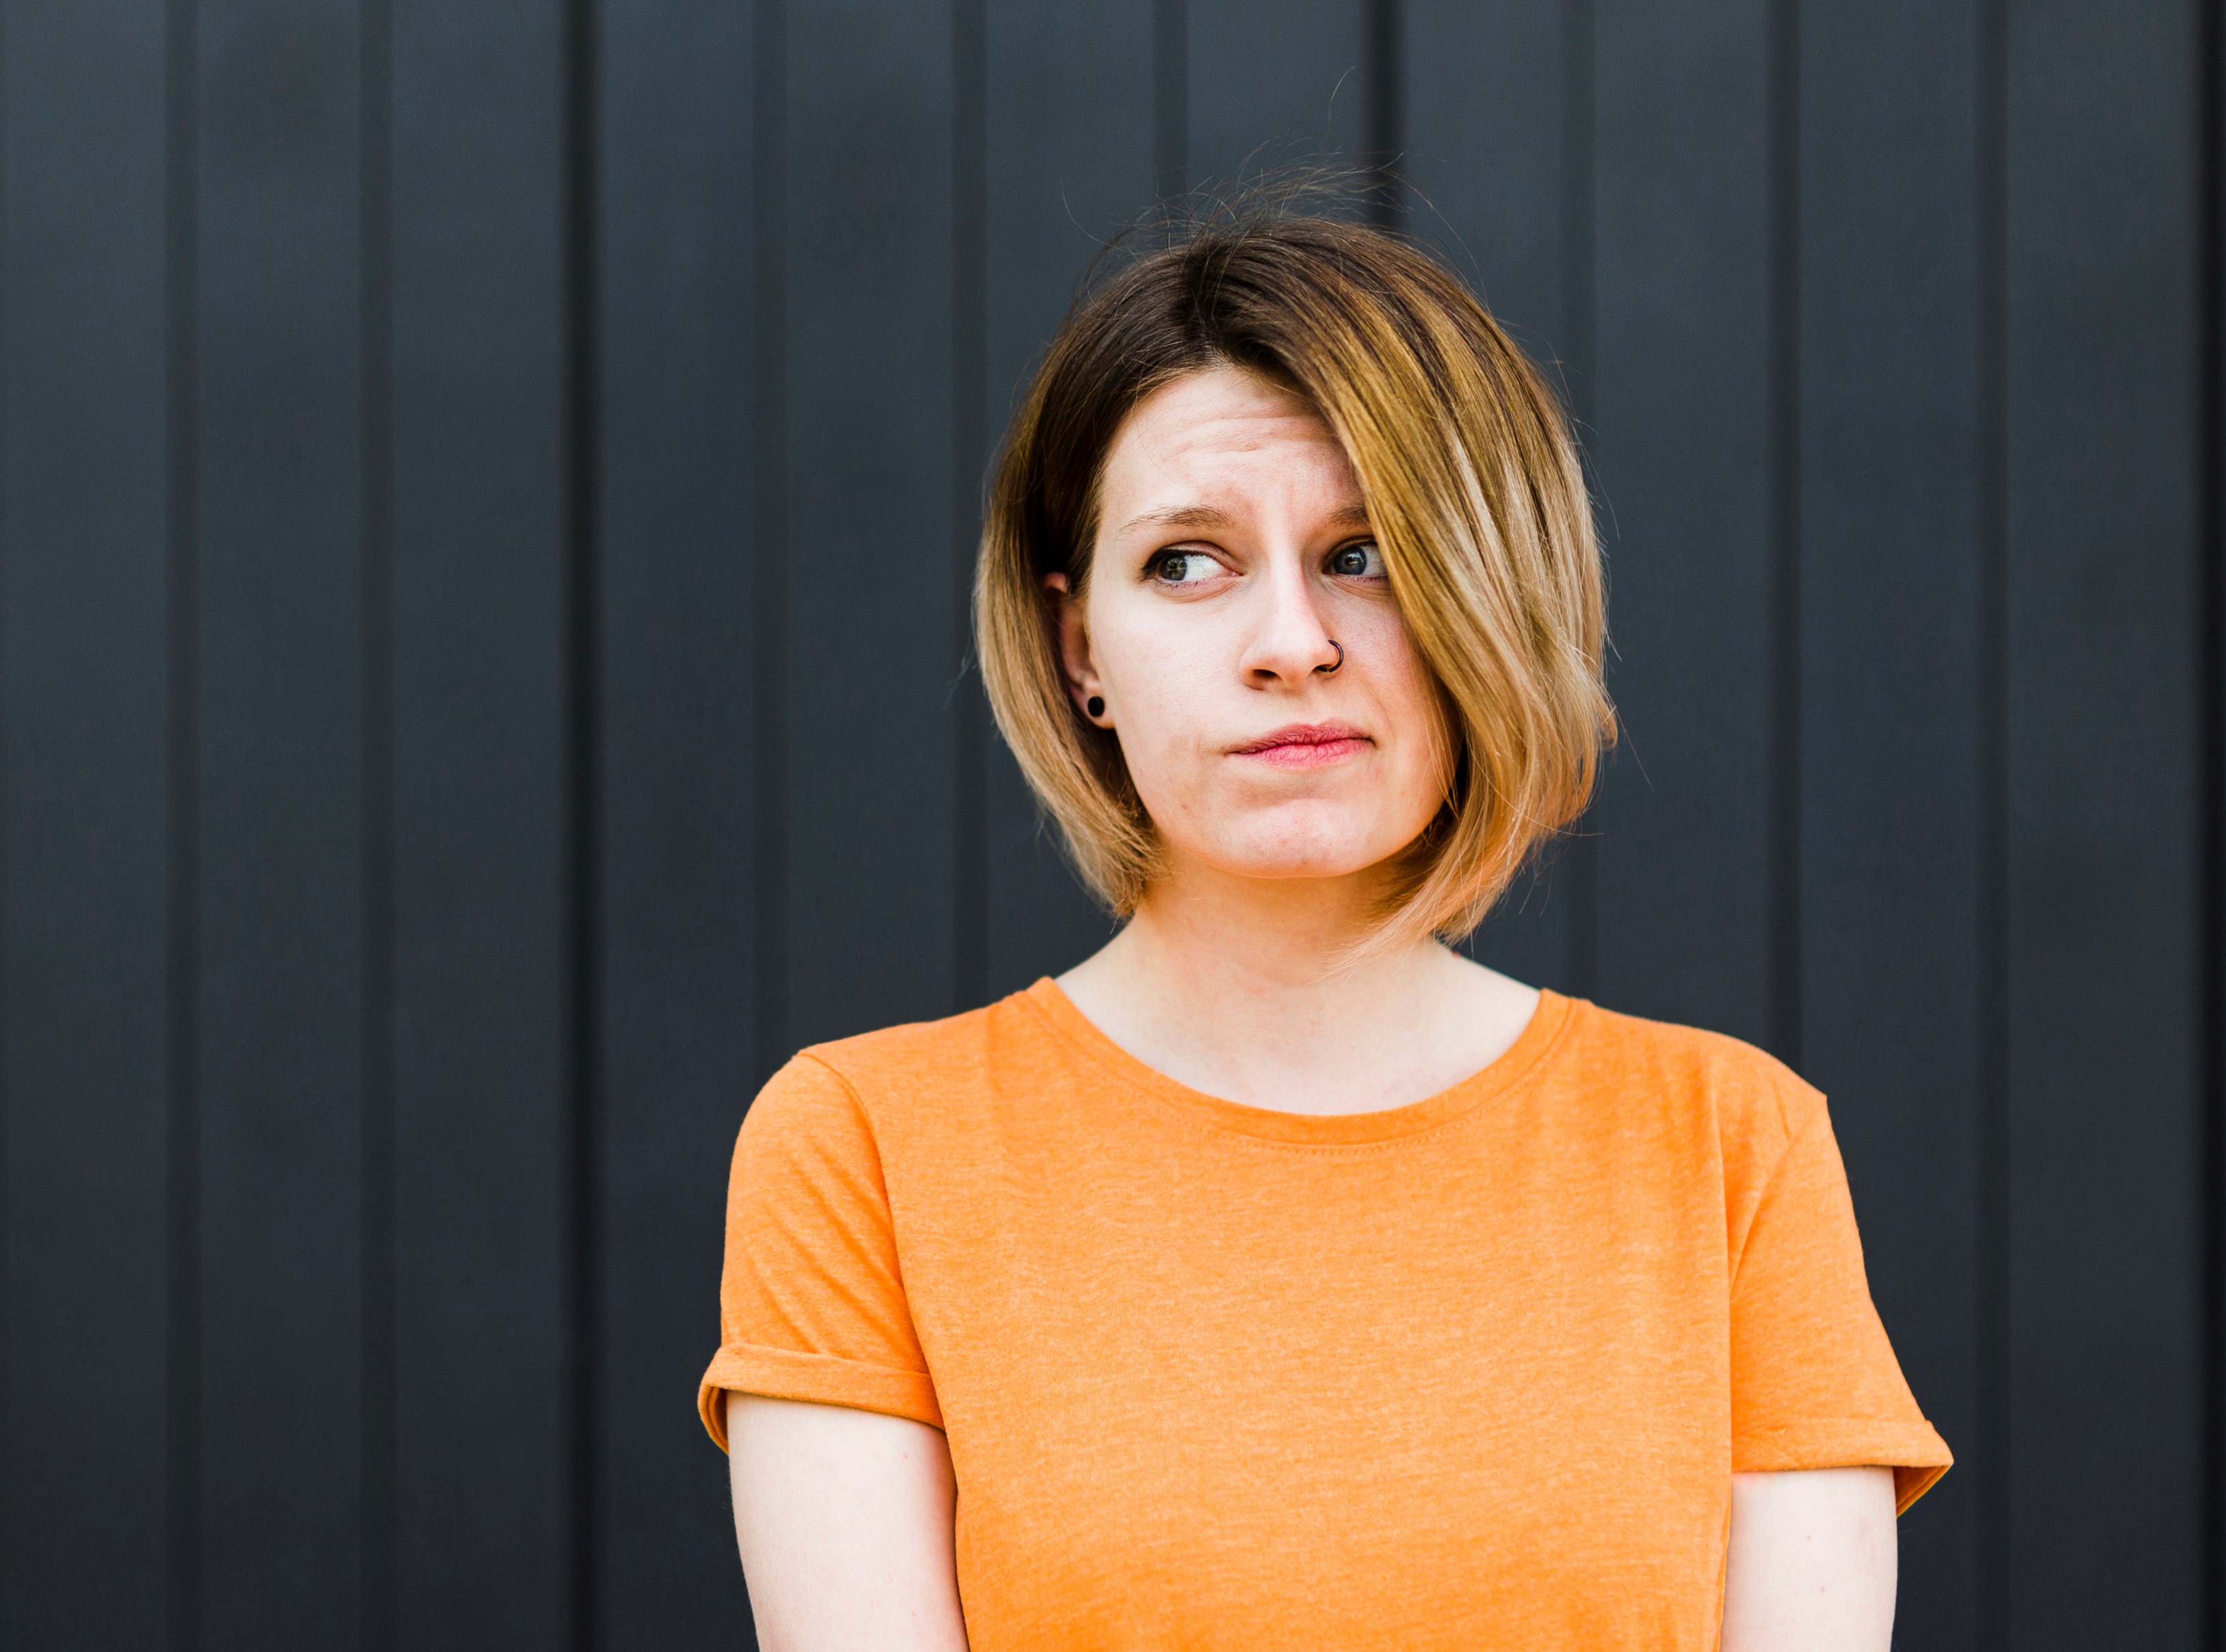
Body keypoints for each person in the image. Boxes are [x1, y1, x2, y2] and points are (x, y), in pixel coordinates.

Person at [699, 211, 1950, 1650]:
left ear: (1493, 598)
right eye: (1186, 561)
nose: (1291, 641)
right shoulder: (861, 1146)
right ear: (1079, 648)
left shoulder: (1734, 1149)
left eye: (1364, 553)